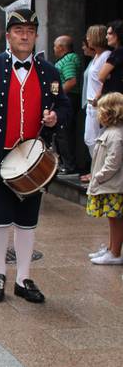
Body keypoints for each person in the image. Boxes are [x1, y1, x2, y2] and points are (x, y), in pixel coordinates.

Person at [0, 8, 70, 304]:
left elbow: (64, 108)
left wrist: (54, 118)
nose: (24, 35)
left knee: (27, 219)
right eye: (19, 31)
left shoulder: (49, 72)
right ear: (8, 35)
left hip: (33, 161)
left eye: (30, 31)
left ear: (36, 36)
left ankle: (23, 277)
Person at [86, 92, 123, 265]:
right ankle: (111, 249)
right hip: (110, 184)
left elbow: (112, 163)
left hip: (113, 186)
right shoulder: (112, 132)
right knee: (112, 218)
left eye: (101, 111)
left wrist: (98, 178)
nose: (98, 115)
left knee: (115, 219)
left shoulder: (115, 135)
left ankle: (115, 252)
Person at [82, 25, 111, 182]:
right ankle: (96, 170)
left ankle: (99, 172)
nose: (87, 39)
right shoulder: (97, 56)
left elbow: (104, 80)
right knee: (90, 139)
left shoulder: (106, 55)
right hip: (91, 104)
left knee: (95, 140)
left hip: (97, 104)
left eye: (89, 36)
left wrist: (98, 98)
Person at [53, 35, 82, 175]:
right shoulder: (62, 61)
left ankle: (69, 165)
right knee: (60, 134)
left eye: (55, 46)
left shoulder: (69, 60)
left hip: (68, 99)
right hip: (62, 97)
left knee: (64, 133)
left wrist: (58, 95)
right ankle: (64, 162)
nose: (53, 49)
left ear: (62, 47)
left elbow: (71, 81)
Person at [97, 20, 123, 100]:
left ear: (118, 34)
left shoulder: (118, 52)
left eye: (110, 33)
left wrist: (108, 75)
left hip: (114, 97)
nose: (106, 37)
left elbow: (101, 76)